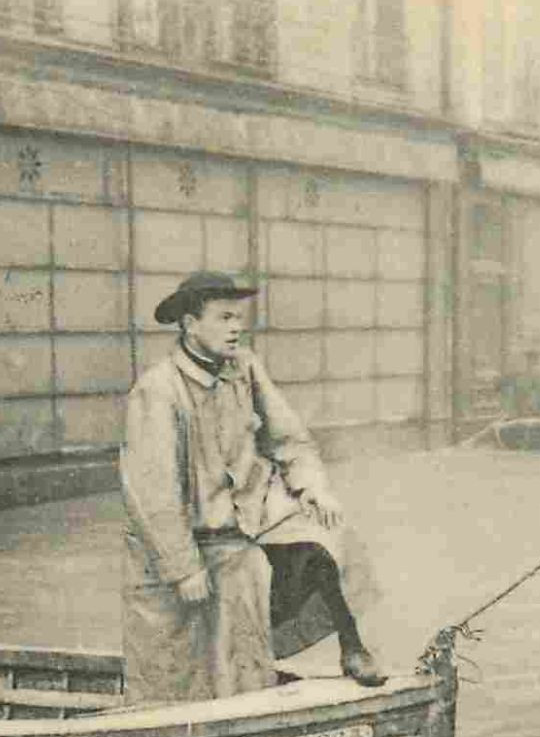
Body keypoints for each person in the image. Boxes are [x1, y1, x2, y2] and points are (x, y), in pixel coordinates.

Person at [119, 271, 385, 703]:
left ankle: (352, 648)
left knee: (331, 541)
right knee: (187, 677)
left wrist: (313, 487)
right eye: (224, 318)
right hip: (184, 549)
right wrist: (183, 568)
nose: (235, 328)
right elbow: (152, 497)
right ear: (189, 323)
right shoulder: (157, 391)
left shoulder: (244, 367)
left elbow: (289, 439)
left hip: (248, 525)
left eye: (238, 318)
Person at [498, 349, 540, 418]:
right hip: (523, 413)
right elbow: (510, 397)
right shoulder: (517, 378)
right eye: (532, 359)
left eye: (537, 359)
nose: (535, 361)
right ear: (528, 360)